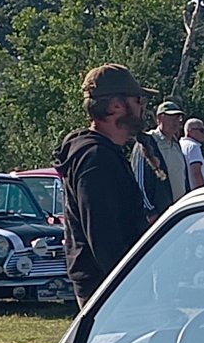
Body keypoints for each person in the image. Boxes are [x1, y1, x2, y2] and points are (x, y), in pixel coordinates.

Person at [54, 63, 155, 307]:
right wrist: (129, 288)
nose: (142, 107)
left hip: (112, 287)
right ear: (115, 106)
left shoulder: (102, 153)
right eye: (138, 100)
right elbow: (104, 237)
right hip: (110, 292)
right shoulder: (96, 158)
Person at [132, 100, 189, 217]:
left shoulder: (176, 144)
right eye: (171, 117)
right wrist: (150, 211)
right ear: (159, 118)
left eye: (177, 118)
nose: (175, 122)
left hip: (179, 211)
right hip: (158, 215)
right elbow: (139, 182)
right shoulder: (147, 142)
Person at [180, 118, 204, 190]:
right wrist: (202, 191)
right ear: (190, 131)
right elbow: (196, 172)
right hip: (194, 191)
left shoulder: (179, 145)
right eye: (201, 130)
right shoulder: (193, 146)